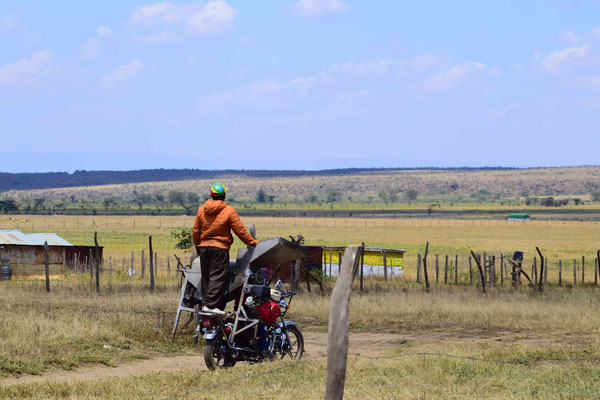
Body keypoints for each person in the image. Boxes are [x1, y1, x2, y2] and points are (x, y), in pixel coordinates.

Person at [192, 183, 259, 315]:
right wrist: (253, 242)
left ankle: (206, 304)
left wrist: (198, 246)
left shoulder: (202, 210)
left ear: (211, 195)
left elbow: (196, 230)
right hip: (219, 249)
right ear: (224, 195)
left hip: (204, 247)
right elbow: (240, 231)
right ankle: (211, 305)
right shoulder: (229, 211)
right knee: (218, 275)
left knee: (206, 276)